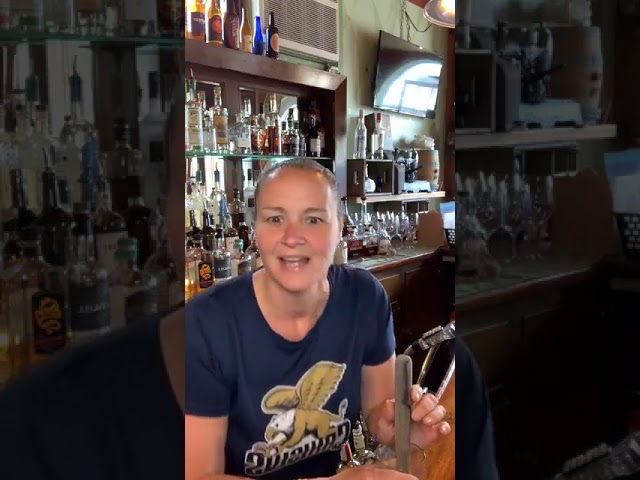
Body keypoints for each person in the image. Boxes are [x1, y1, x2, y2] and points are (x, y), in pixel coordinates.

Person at [185, 157, 452, 480]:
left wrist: (399, 430)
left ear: (340, 228)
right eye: (275, 218)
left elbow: (377, 413)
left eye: (313, 219)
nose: (292, 236)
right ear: (256, 230)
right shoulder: (208, 323)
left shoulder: (363, 298)